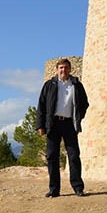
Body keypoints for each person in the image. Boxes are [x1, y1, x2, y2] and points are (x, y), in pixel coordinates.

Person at [36, 58, 89, 197]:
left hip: (69, 123)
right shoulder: (49, 85)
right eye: (61, 68)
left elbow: (84, 103)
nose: (63, 70)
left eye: (65, 67)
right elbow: (41, 106)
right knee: (52, 156)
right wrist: (40, 125)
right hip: (53, 124)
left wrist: (78, 116)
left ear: (70, 69)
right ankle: (54, 189)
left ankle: (78, 188)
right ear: (57, 70)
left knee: (73, 156)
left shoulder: (76, 85)